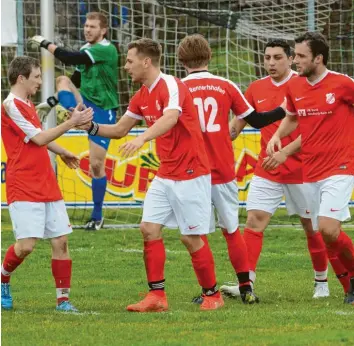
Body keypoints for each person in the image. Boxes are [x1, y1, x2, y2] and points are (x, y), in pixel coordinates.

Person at [81, 37, 226, 312]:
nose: (126, 66)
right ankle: (156, 297)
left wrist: (143, 139)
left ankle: (213, 295)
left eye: (130, 61)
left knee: (190, 238)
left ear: (146, 62)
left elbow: (171, 117)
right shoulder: (142, 94)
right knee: (148, 228)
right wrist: (89, 126)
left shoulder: (170, 84)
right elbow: (121, 129)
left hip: (191, 172)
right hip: (166, 173)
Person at [221, 39, 351, 299]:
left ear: (295, 58)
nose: (271, 62)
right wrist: (225, 136)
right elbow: (246, 120)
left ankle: (322, 283)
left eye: (278, 57)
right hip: (269, 166)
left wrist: (284, 151)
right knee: (254, 221)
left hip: (307, 168)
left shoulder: (327, 83)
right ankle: (247, 284)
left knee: (316, 228)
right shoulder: (262, 88)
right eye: (267, 57)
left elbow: (314, 129)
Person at [176, 34, 292, 304]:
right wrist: (281, 110)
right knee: (231, 230)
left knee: (196, 234)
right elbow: (256, 120)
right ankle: (246, 288)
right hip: (224, 169)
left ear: (181, 60)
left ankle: (210, 291)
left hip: (193, 171)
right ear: (209, 56)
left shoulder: (177, 88)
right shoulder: (226, 85)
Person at [267, 32, 354, 305]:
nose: (295, 61)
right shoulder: (295, 88)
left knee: (328, 229)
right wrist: (277, 137)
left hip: (340, 166)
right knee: (326, 236)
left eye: (301, 56)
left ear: (319, 58)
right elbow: (293, 118)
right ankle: (349, 288)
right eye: (294, 55)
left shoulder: (342, 84)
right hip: (311, 170)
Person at [1, 56, 93, 311]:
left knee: (61, 241)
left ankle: (63, 300)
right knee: (26, 246)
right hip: (24, 184)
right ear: (21, 78)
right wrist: (71, 122)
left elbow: (40, 138)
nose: (40, 82)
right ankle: (3, 277)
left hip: (46, 182)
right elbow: (39, 138)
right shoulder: (10, 105)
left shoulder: (28, 104)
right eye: (37, 77)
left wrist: (63, 151)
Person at [29, 12, 119, 231]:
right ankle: (71, 113)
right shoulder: (87, 50)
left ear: (103, 30)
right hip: (84, 104)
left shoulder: (105, 49)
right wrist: (52, 101)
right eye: (86, 26)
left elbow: (68, 58)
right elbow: (76, 79)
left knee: (97, 165)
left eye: (92, 27)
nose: (87, 29)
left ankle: (97, 216)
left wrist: (45, 43)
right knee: (63, 80)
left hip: (103, 110)